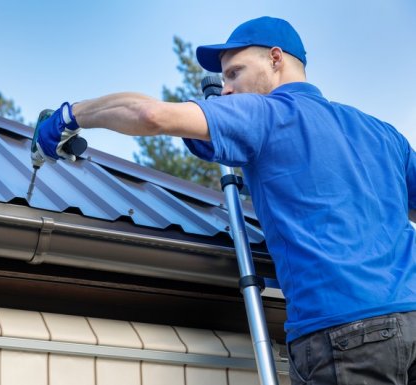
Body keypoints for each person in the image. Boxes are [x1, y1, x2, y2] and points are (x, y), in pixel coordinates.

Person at [32, 16, 416, 384]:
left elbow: (150, 114)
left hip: (344, 331)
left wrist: (71, 115)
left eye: (235, 72)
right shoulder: (381, 133)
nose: (227, 89)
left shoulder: (266, 114)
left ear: (275, 58)